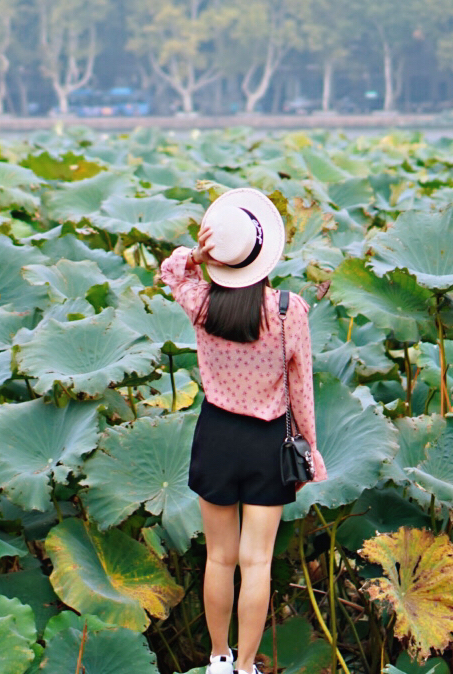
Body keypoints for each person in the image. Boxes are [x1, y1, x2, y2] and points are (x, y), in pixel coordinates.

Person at [159, 187, 327, 674]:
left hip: (215, 435)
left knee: (219, 559)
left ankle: (217, 659)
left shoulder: (201, 303)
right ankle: (247, 666)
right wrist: (310, 451)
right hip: (268, 442)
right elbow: (302, 389)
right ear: (263, 253)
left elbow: (172, 269)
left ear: (220, 260)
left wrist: (196, 254)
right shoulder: (286, 311)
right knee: (257, 563)